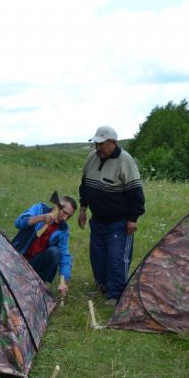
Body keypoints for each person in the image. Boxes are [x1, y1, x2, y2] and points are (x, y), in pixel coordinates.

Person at [78, 126, 146, 305]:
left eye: (101, 144)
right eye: (96, 143)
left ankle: (116, 295)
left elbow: (136, 194)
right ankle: (103, 288)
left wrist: (133, 219)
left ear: (113, 143)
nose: (97, 147)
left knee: (116, 259)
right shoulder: (92, 158)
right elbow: (84, 186)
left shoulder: (126, 161)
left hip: (119, 223)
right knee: (97, 257)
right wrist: (83, 209)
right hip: (97, 221)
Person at [12, 195, 77, 297]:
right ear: (57, 206)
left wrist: (63, 281)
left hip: (36, 264)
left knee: (56, 252)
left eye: (69, 216)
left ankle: (38, 286)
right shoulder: (39, 209)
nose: (65, 218)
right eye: (64, 213)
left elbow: (64, 256)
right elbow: (18, 222)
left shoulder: (63, 229)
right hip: (17, 258)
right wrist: (41, 218)